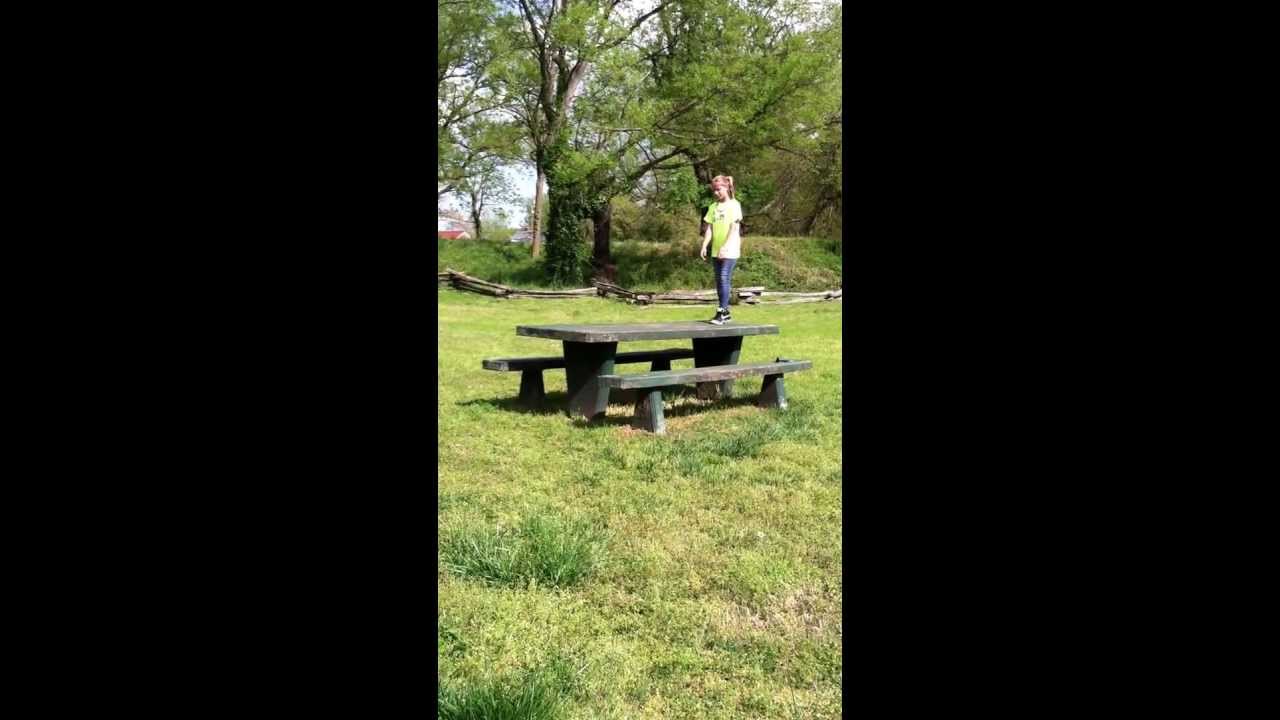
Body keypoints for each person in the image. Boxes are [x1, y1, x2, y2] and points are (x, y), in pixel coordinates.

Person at [699, 175, 743, 325]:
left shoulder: (734, 205)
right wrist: (705, 245)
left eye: (718, 189)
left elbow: (734, 227)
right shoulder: (713, 207)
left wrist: (725, 247)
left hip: (730, 250)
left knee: (724, 278)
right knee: (719, 281)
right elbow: (709, 228)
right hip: (716, 250)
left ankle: (722, 311)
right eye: (714, 190)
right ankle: (726, 312)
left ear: (727, 188)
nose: (716, 192)